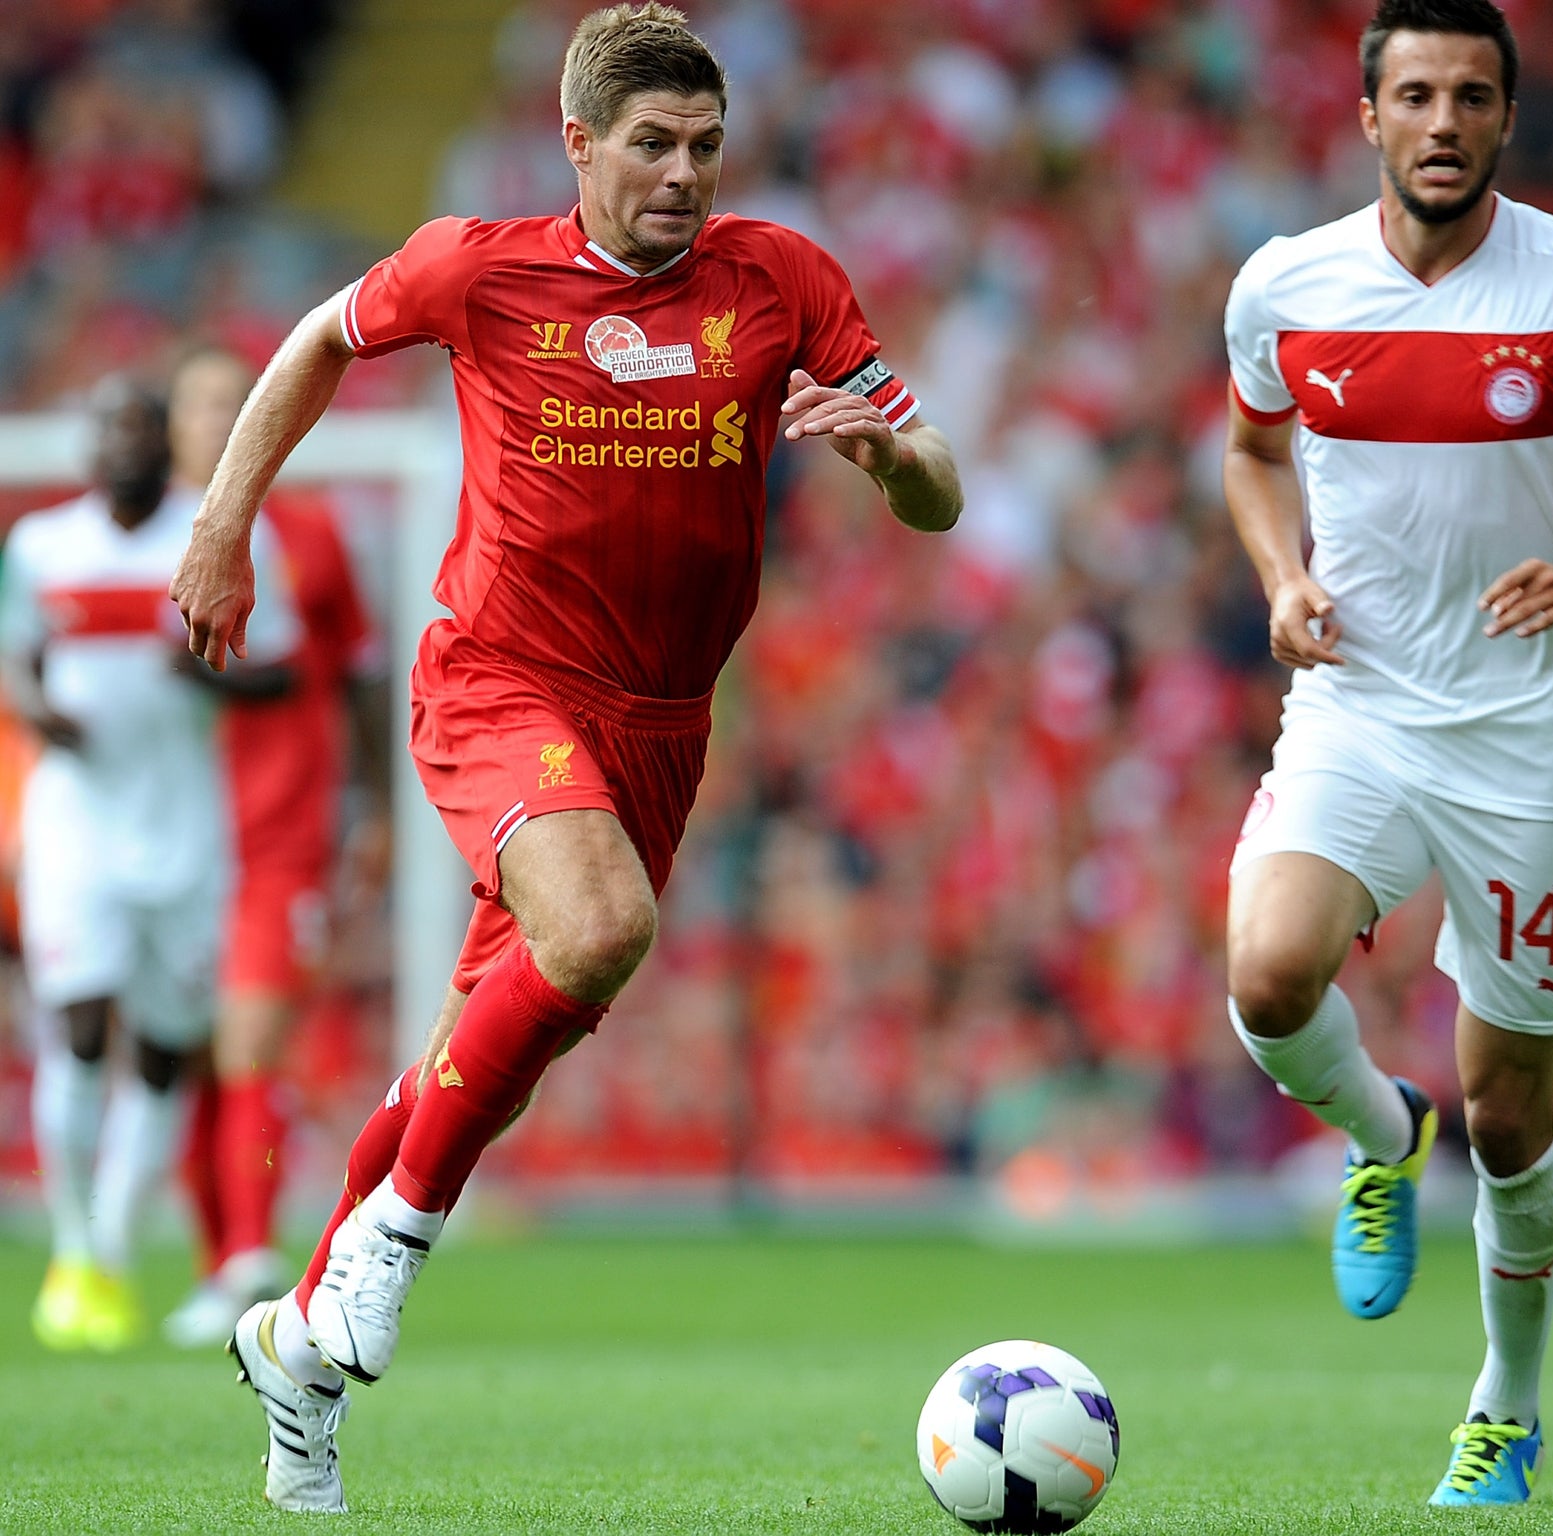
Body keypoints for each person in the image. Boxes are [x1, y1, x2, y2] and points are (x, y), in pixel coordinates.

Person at [170, 2, 961, 1513]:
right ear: (579, 143)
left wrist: (889, 453)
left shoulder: (785, 279)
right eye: (652, 145)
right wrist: (222, 527)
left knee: (485, 1043)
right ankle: (392, 1248)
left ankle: (301, 1355)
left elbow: (941, 495)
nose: (684, 175)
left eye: (706, 147)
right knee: (599, 930)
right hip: (500, 680)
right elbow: (311, 342)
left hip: (663, 725)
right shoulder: (482, 265)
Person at [1221, 0, 1553, 1507]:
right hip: (1360, 705)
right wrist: (1279, 581)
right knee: (1265, 977)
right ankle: (1382, 1138)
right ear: (1368, 114)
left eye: (1474, 98)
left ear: (1508, 119)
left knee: (1512, 1116)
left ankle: (1506, 1400)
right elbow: (1252, 453)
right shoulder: (1286, 285)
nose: (1445, 123)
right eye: (1418, 96)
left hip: (1525, 745)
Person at [2, 377, 296, 1352]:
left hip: (184, 829)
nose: (121, 444)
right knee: (81, 1026)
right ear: (84, 445)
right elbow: (13, 656)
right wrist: (36, 711)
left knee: (168, 1049)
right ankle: (77, 1248)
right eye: (106, 426)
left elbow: (288, 667)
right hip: (75, 825)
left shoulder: (219, 532)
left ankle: (114, 1252)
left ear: (163, 443)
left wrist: (216, 667)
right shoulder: (39, 546)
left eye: (138, 427)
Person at [162, 345, 387, 1348]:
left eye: (235, 403)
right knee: (189, 1060)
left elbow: (355, 675)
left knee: (250, 1041)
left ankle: (252, 1266)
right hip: (156, 849)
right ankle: (217, 1263)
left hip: (278, 838)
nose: (217, 420)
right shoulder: (120, 543)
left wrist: (376, 802)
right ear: (171, 427)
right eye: (201, 404)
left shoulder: (308, 538)